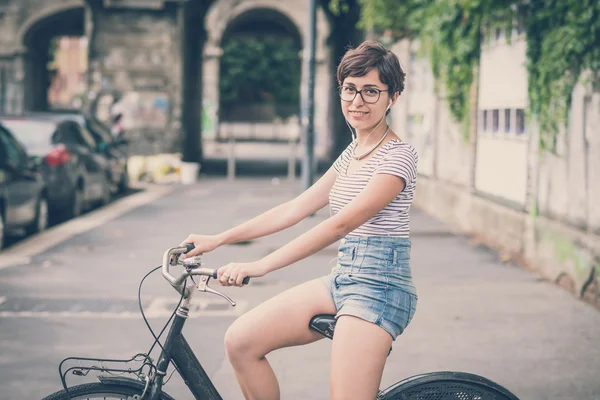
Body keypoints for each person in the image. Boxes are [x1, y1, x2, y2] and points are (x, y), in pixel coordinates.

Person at [181, 40, 418, 400]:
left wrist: (259, 266)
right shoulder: (354, 151)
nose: (357, 101)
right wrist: (219, 239)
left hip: (379, 289)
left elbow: (338, 226)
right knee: (241, 341)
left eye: (371, 91)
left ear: (393, 97)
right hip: (344, 277)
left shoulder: (398, 158)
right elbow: (295, 209)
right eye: (350, 89)